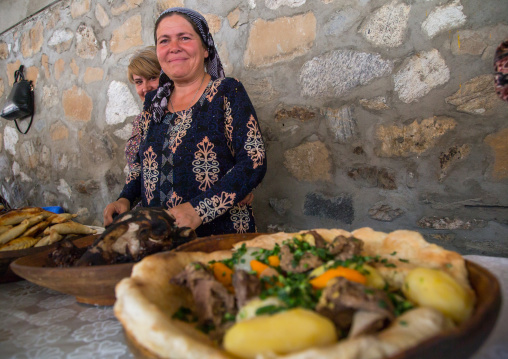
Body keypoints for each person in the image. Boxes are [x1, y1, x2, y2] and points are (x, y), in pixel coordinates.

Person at [103, 7, 267, 237]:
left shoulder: (226, 92)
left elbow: (253, 161)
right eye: (164, 41)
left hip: (219, 237)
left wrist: (198, 210)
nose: (174, 47)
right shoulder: (154, 103)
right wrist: (125, 198)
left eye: (185, 38)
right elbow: (141, 164)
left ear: (206, 47)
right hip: (159, 238)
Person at [125, 46, 161, 172]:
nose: (145, 88)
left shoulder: (182, 116)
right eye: (139, 82)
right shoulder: (140, 121)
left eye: (152, 78)